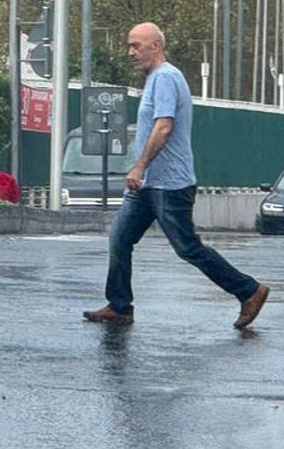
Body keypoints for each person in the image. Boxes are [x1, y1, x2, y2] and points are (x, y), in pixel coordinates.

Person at [83, 23, 270, 329]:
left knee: (188, 248)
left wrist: (139, 166)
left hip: (169, 184)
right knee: (119, 240)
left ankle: (249, 290)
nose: (131, 52)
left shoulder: (166, 77)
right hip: (148, 186)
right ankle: (119, 306)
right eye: (129, 45)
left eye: (137, 45)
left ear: (155, 46)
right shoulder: (155, 80)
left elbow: (164, 127)